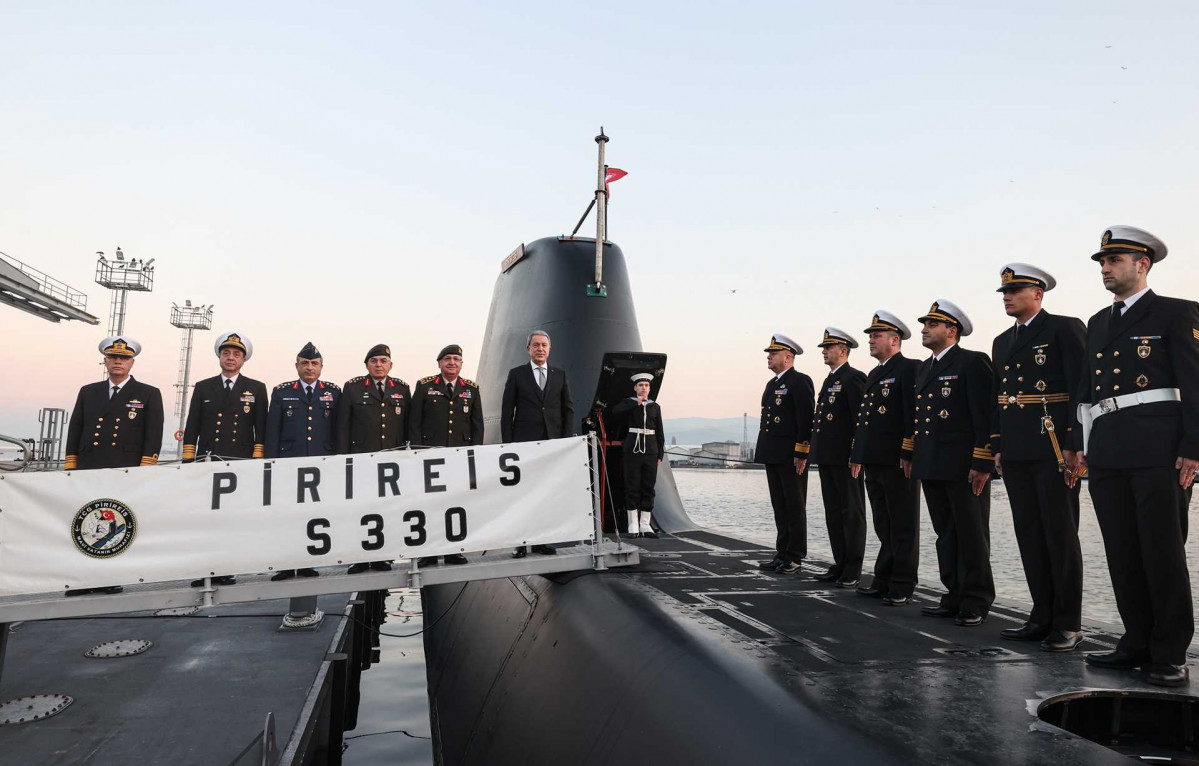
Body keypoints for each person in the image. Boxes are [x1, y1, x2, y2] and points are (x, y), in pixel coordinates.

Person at [1068, 226, 1199, 687]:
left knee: (1162, 551)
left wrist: (1193, 447)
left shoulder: (1177, 313)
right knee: (1121, 550)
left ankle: (1169, 651)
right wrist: (1077, 442)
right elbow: (1087, 388)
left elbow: (1195, 383)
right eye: (1102, 263)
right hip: (1107, 449)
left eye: (1113, 261)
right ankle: (1135, 641)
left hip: (1158, 449)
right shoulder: (1098, 322)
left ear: (1142, 264)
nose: (1104, 269)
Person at [990, 264, 1086, 652]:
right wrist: (997, 444)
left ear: (1039, 293)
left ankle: (1068, 622)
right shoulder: (1000, 341)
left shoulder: (1064, 328)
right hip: (1016, 448)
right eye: (1004, 293)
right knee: (1029, 533)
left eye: (1015, 291)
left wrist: (1074, 442)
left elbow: (1083, 387)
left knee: (1060, 534)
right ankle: (1041, 614)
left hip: (1053, 448)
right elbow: (998, 397)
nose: (1008, 297)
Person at [906, 301, 996, 627]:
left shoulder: (972, 362)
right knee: (945, 534)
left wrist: (983, 459)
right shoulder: (924, 369)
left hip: (964, 466)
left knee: (971, 533)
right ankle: (953, 594)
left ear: (951, 330)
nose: (924, 329)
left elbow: (984, 414)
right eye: (924, 324)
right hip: (932, 462)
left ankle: (976, 599)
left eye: (932, 324)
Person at [63, 336, 164, 596]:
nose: (118, 361)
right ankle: (83, 579)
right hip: (90, 465)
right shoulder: (89, 391)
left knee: (116, 524)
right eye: (113, 357)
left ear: (132, 363)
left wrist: (146, 466)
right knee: (86, 522)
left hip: (124, 467)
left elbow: (153, 433)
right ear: (105, 361)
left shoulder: (148, 393)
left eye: (124, 358)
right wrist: (71, 462)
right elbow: (75, 428)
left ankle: (110, 576)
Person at [183, 331, 268, 587]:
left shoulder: (255, 388)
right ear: (219, 356)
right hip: (207, 461)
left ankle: (226, 568)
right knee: (205, 519)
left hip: (237, 461)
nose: (231, 358)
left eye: (236, 354)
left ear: (244, 360)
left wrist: (257, 457)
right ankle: (203, 569)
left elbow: (260, 427)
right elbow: (192, 424)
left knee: (230, 518)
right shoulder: (204, 387)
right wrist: (189, 458)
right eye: (226, 353)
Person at [849, 312, 921, 606]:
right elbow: (865, 421)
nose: (870, 340)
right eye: (870, 335)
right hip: (874, 459)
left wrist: (908, 451)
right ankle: (883, 578)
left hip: (896, 459)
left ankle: (902, 583)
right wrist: (859, 455)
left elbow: (910, 415)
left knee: (902, 523)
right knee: (883, 523)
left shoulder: (909, 368)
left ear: (895, 340)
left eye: (876, 336)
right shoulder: (875, 374)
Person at [265, 341, 341, 581]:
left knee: (314, 513)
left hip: (321, 463)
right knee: (287, 514)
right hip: (289, 462)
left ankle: (308, 562)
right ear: (296, 366)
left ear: (321, 367)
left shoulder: (334, 392)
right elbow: (272, 432)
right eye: (305, 363)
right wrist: (270, 464)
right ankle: (286, 564)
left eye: (314, 364)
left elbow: (339, 430)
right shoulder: (282, 391)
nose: (310, 368)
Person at [501, 330, 575, 558]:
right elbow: (507, 412)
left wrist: (563, 443)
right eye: (535, 345)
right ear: (528, 349)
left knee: (547, 494)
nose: (540, 349)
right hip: (524, 444)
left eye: (544, 345)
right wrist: (509, 445)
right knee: (523, 494)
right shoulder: (517, 374)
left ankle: (543, 541)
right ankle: (522, 543)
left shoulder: (559, 375)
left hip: (551, 445)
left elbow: (567, 409)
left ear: (549, 348)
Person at [408, 344, 483, 567]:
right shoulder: (425, 387)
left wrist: (473, 454)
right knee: (431, 504)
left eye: (456, 359)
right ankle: (430, 552)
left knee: (455, 505)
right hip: (430, 457)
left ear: (461, 364)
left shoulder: (471, 389)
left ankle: (453, 551)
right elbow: (414, 423)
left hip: (458, 458)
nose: (452, 363)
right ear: (439, 363)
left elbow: (477, 426)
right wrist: (417, 453)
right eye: (447, 359)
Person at [339, 343, 411, 574]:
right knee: (360, 509)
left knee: (386, 508)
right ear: (367, 365)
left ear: (390, 365)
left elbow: (408, 427)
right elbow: (343, 427)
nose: (379, 365)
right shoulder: (352, 388)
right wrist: (343, 461)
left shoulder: (402, 388)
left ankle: (382, 556)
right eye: (374, 361)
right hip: (361, 462)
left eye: (383, 361)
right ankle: (360, 557)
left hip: (391, 462)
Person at [809, 328, 868, 587]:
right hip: (828, 457)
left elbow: (860, 420)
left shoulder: (853, 378)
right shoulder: (829, 380)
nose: (823, 351)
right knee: (833, 512)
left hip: (846, 459)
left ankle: (853, 568)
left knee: (851, 512)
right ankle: (840, 561)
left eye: (828, 347)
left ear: (843, 351)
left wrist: (857, 454)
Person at [755, 334, 815, 576]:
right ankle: (782, 552)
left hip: (791, 456)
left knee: (794, 505)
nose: (769, 357)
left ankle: (795, 556)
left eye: (773, 353)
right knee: (779, 506)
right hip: (773, 453)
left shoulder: (800, 381)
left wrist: (802, 452)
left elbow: (805, 419)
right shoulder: (773, 384)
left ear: (788, 357)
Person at [611, 372, 666, 538]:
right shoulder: (628, 403)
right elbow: (615, 412)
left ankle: (645, 525)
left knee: (648, 487)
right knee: (632, 486)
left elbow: (660, 432)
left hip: (650, 450)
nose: (644, 388)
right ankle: (633, 525)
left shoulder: (655, 407)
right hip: (632, 450)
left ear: (649, 389)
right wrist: (636, 404)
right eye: (641, 385)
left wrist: (659, 455)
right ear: (635, 387)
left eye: (647, 386)